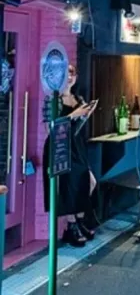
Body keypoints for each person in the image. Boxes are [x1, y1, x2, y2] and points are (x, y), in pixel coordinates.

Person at [43, 65, 97, 247]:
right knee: (67, 187)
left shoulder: (78, 98)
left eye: (73, 73)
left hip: (77, 146)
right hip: (60, 146)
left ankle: (79, 221)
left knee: (88, 182)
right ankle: (72, 225)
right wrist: (74, 115)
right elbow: (49, 127)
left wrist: (85, 115)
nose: (70, 77)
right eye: (66, 73)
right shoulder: (53, 99)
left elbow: (77, 128)